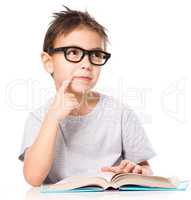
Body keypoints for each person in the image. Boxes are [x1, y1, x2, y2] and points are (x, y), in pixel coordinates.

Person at [18, 6, 156, 186]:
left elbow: (145, 169)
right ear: (48, 62)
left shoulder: (121, 114)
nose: (87, 64)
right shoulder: (40, 118)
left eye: (96, 55)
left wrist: (139, 170)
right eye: (74, 52)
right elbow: (33, 178)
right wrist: (53, 118)